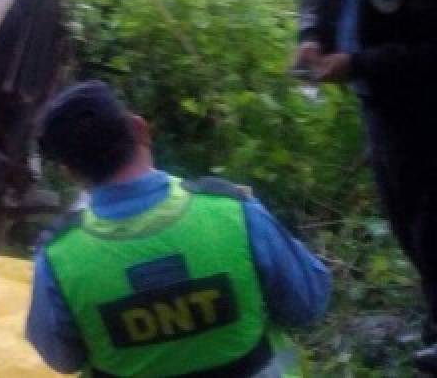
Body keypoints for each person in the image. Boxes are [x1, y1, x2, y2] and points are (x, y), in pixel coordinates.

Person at [26, 81, 330, 377]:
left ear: (68, 172)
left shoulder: (58, 259)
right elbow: (309, 303)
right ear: (140, 129)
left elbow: (62, 359)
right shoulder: (233, 213)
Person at [291, 0, 437, 371]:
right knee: (403, 216)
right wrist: (312, 33)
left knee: (430, 222)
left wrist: (360, 63)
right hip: (379, 107)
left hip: (424, 110)